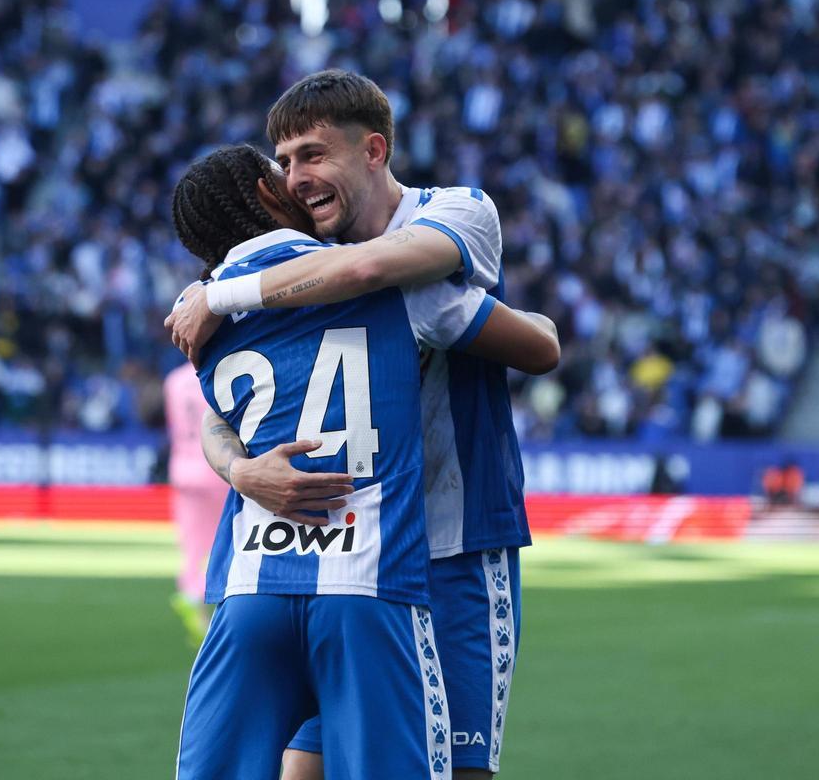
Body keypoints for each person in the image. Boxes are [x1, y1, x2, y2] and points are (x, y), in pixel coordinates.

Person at [166, 70, 543, 779]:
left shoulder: (456, 215)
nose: (296, 176)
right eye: (282, 163)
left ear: (373, 150)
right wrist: (242, 471)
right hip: (349, 561)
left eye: (311, 155)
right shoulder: (286, 285)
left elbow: (370, 270)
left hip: (454, 542)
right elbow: (220, 422)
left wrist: (221, 287)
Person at [163, 364, 226, 646]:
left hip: (182, 466)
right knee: (224, 538)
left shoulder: (173, 380)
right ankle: (205, 596)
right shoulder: (218, 370)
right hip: (215, 467)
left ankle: (190, 591)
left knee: (191, 540)